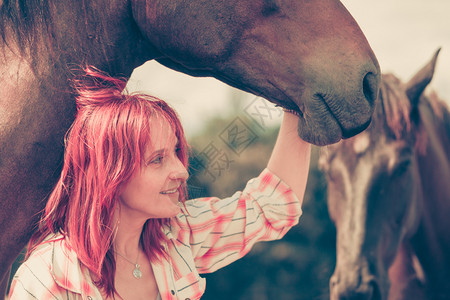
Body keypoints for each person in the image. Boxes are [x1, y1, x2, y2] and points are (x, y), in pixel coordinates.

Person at [8, 67, 311, 300]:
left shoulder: (178, 236)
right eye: (158, 159)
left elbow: (273, 205)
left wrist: (300, 103)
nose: (182, 171)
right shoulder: (48, 277)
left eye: (177, 152)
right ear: (110, 175)